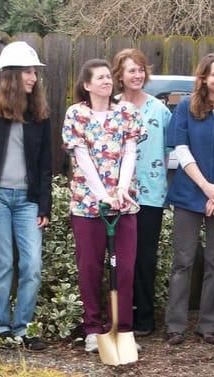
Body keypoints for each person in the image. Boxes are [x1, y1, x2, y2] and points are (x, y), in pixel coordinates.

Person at [62, 59, 145, 353]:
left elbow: (131, 152)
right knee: (89, 267)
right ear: (87, 85)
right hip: (87, 204)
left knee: (123, 268)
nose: (107, 81)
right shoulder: (76, 115)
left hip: (124, 204)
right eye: (100, 78)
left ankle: (122, 328)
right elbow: (81, 159)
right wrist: (103, 195)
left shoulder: (127, 112)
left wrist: (121, 190)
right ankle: (93, 329)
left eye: (109, 77)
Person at [0, 41, 52, 350]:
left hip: (27, 201)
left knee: (32, 265)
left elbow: (47, 164)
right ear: (11, 75)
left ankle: (21, 328)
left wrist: (44, 204)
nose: (33, 77)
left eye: (35, 72)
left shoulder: (40, 115)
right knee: (4, 263)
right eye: (28, 72)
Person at [164, 53, 214, 346]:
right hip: (189, 195)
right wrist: (206, 188)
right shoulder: (186, 107)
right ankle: (175, 325)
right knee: (183, 261)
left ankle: (209, 325)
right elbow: (181, 150)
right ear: (204, 78)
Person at [111, 48, 172, 337]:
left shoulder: (159, 110)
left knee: (144, 257)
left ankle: (145, 318)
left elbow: (172, 149)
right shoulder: (109, 108)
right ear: (119, 75)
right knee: (119, 258)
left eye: (140, 69)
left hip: (150, 194)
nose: (137, 75)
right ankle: (120, 316)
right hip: (117, 195)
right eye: (130, 70)